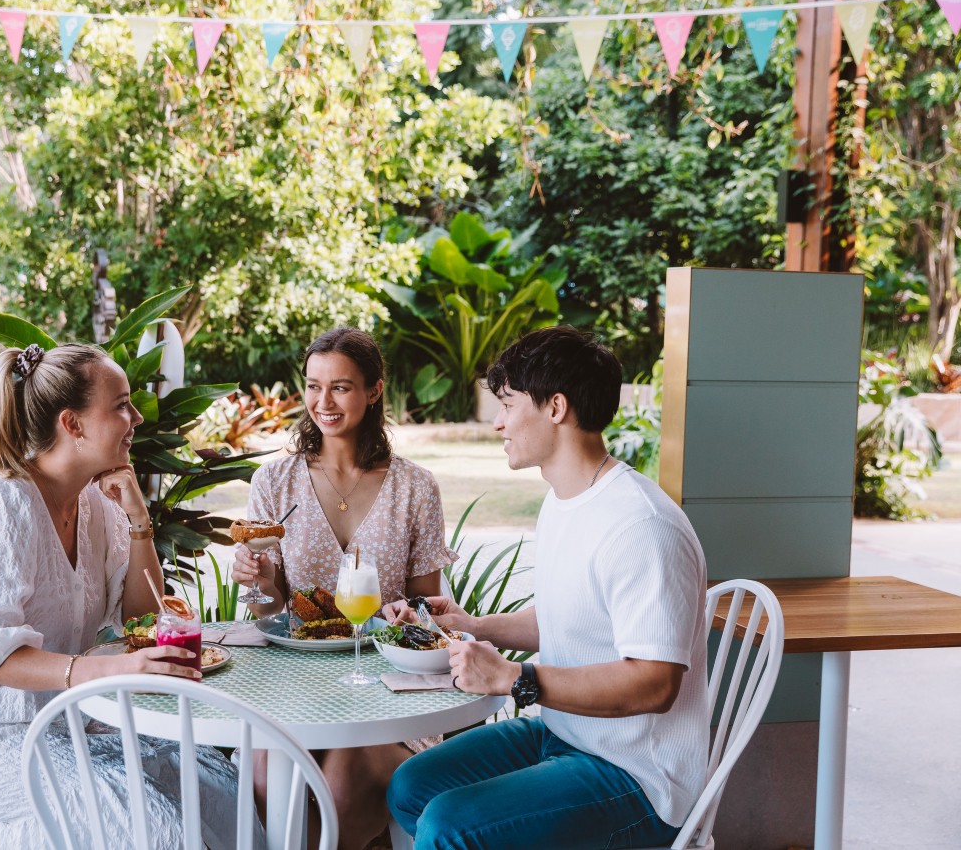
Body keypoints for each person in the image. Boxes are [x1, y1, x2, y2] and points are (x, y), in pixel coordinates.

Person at [0, 343, 253, 849]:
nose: (136, 417)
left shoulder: (94, 505)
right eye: (120, 405)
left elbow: (141, 616)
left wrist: (139, 523)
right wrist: (105, 671)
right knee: (151, 821)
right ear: (72, 424)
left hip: (68, 725)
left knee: (211, 783)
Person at [382, 326, 709, 850]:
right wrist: (471, 626)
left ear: (555, 407)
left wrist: (517, 677)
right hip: (567, 734)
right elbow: (570, 616)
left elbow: (655, 683)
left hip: (638, 778)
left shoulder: (641, 526)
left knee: (449, 825)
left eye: (508, 404)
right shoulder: (565, 500)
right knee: (411, 786)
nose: (496, 422)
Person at [231, 327, 457, 850]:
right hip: (294, 682)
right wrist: (261, 581)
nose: (322, 402)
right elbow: (271, 608)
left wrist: (411, 615)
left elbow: (427, 607)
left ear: (374, 390)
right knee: (266, 775)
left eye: (341, 387)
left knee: (341, 789)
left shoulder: (415, 487)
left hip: (384, 681)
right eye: (313, 386)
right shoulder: (275, 482)